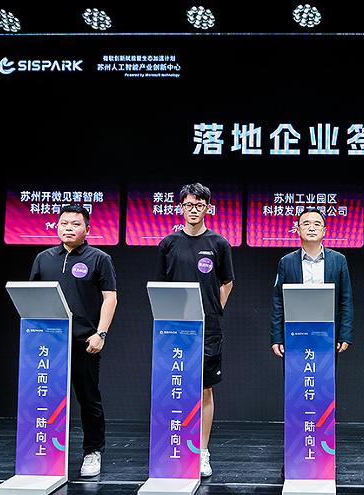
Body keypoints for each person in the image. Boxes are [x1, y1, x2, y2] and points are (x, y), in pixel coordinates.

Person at [29, 204, 118, 477]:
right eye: (64, 223)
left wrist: (100, 333)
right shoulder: (43, 258)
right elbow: (31, 298)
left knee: (88, 399)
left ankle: (93, 451)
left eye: (75, 224)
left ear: (87, 229)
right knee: (46, 398)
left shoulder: (99, 258)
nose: (68, 228)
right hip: (49, 343)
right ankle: (46, 450)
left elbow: (110, 298)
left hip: (84, 342)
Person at [157, 183, 234, 478]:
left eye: (199, 205)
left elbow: (227, 282)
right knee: (174, 385)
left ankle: (202, 451)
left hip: (208, 327)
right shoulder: (168, 243)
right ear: (181, 207)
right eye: (189, 205)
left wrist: (214, 309)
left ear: (207, 208)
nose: (193, 210)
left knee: (204, 388)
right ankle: (175, 445)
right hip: (174, 327)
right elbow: (160, 285)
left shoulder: (219, 243)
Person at [270, 206, 354, 357]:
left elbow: (345, 300)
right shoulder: (286, 262)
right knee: (296, 371)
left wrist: (345, 334)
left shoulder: (338, 260)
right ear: (297, 229)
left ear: (324, 230)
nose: (311, 228)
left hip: (328, 332)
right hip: (295, 332)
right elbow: (278, 302)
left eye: (317, 224)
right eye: (306, 224)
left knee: (325, 371)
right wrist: (277, 337)